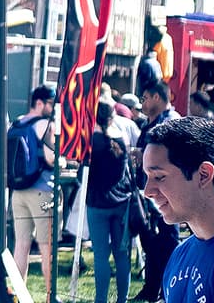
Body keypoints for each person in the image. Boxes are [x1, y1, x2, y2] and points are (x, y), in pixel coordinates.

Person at [143, 117, 214, 302]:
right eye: (147, 177)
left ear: (203, 175)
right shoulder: (181, 253)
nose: (148, 191)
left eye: (159, 177)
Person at [132, 82, 181, 302]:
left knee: (168, 241)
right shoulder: (148, 123)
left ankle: (167, 288)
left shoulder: (172, 121)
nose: (142, 103)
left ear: (156, 98)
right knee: (150, 242)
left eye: (144, 98)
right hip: (147, 191)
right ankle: (151, 287)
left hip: (166, 193)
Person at [11, 86, 58, 300]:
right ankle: (50, 295)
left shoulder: (17, 122)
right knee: (47, 246)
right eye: (51, 103)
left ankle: (17, 293)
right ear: (40, 103)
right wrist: (61, 160)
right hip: (42, 191)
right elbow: (50, 158)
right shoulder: (45, 125)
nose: (53, 107)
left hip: (18, 192)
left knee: (21, 245)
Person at [86, 102, 136, 303]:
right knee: (121, 255)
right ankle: (122, 299)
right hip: (121, 203)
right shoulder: (121, 139)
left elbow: (85, 175)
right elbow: (125, 171)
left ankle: (101, 300)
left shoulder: (91, 142)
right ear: (112, 117)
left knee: (100, 256)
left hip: (97, 204)